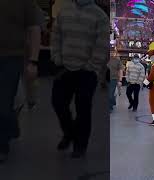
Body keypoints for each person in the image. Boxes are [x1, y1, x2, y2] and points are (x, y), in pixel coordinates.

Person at [51, 0, 108, 158]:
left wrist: (91, 65)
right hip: (64, 68)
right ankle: (69, 133)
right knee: (58, 102)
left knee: (83, 108)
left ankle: (80, 145)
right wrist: (56, 57)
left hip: (86, 71)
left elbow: (102, 44)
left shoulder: (100, 16)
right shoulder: (64, 11)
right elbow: (56, 36)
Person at [0, 0, 42, 162]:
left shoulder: (24, 3)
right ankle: (11, 125)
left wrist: (33, 61)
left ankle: (2, 146)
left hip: (12, 57)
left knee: (4, 101)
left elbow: (34, 29)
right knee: (6, 102)